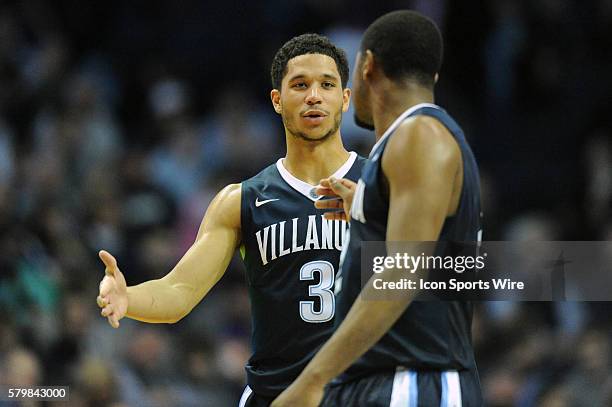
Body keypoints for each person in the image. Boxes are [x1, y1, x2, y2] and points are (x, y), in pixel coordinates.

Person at [96, 33, 365, 406]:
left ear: (345, 99)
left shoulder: (384, 185)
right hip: (276, 394)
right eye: (300, 85)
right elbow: (179, 292)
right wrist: (129, 297)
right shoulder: (242, 200)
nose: (314, 96)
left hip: (364, 391)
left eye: (327, 85)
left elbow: (463, 272)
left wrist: (379, 218)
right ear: (276, 100)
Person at [272, 11, 483, 407]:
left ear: (367, 65)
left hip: (411, 380)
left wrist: (313, 379)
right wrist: (367, 207)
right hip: (379, 379)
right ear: (432, 77)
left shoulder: (418, 134)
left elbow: (405, 270)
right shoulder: (408, 145)